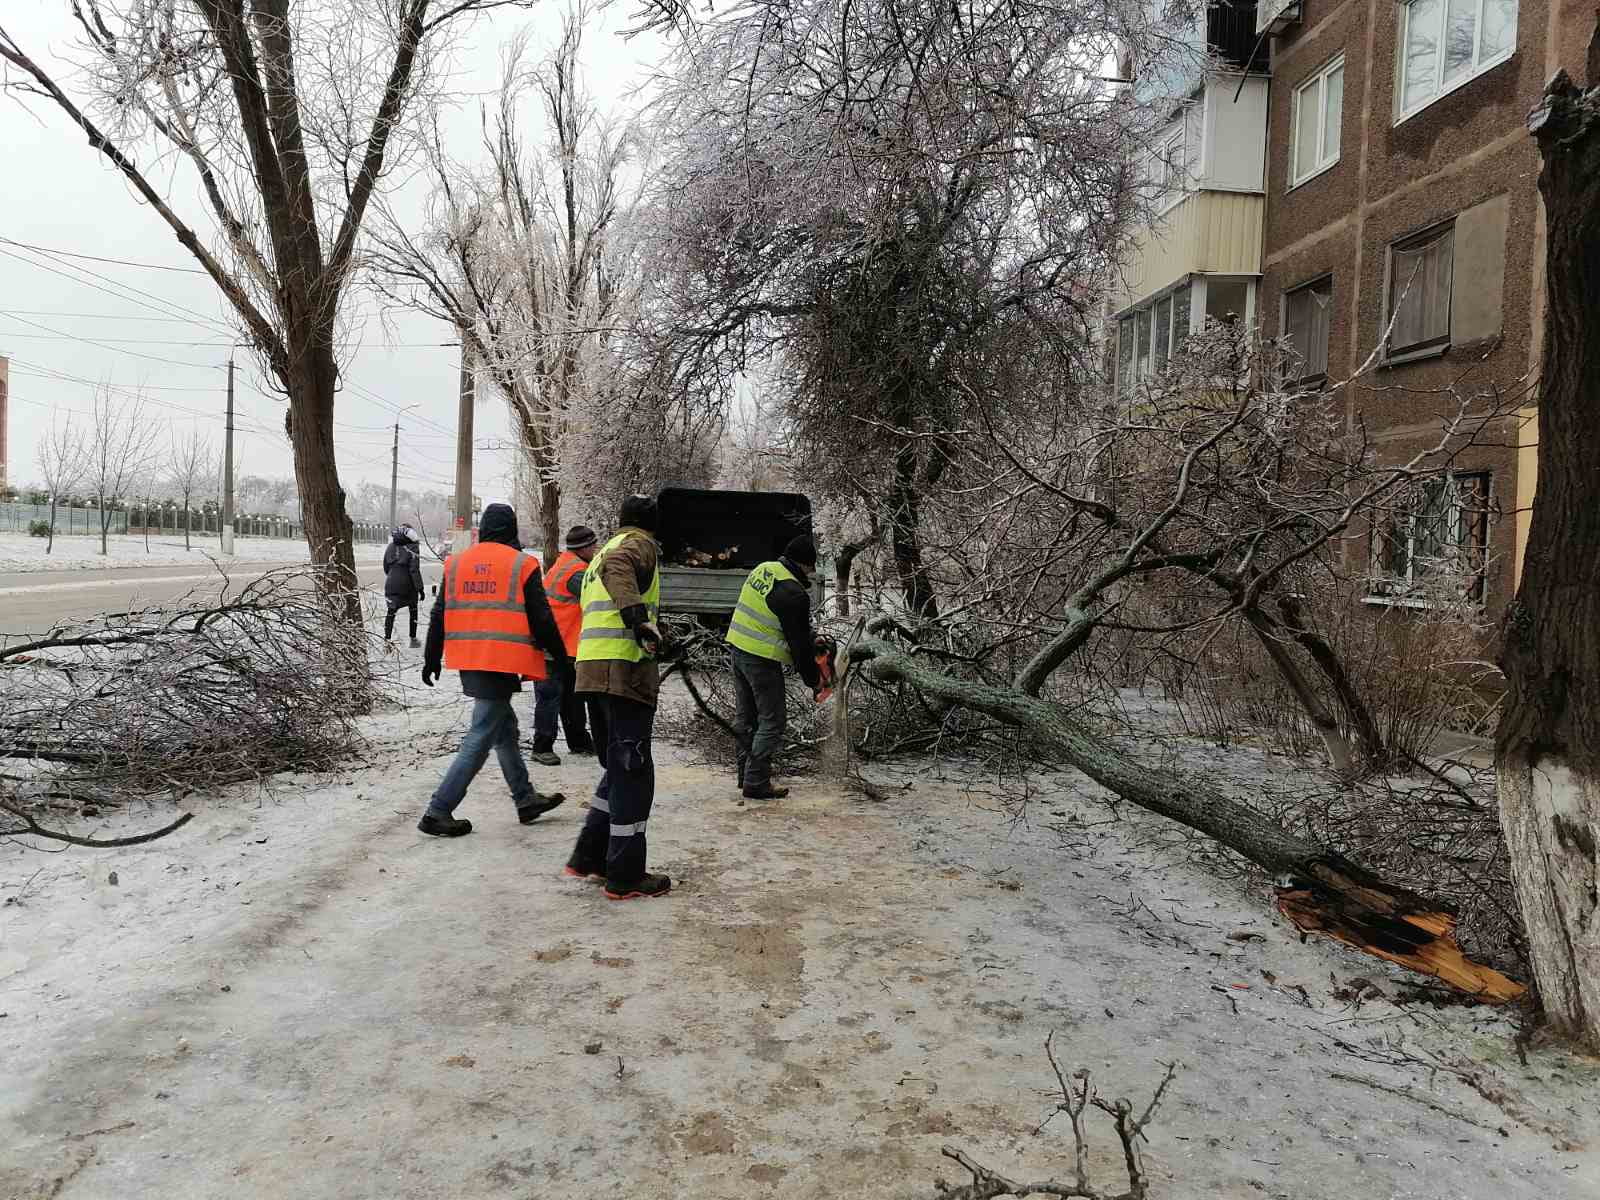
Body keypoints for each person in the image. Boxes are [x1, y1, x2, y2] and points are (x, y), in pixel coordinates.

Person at [416, 503, 575, 837]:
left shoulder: (457, 563)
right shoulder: (522, 565)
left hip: (469, 656)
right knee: (482, 732)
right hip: (502, 659)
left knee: (505, 729)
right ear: (512, 529)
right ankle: (438, 810)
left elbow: (438, 614)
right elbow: (542, 618)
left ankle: (525, 799)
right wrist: (561, 658)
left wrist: (432, 657)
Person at [563, 494, 671, 900]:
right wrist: (639, 621)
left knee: (619, 767)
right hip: (623, 670)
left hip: (593, 666)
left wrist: (657, 632)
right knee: (633, 770)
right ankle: (625, 875)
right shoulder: (636, 544)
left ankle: (589, 855)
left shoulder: (600, 552)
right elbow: (621, 570)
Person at [725, 535, 824, 800]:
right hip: (760, 658)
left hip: (737, 647)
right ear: (804, 564)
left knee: (746, 718)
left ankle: (744, 775)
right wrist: (814, 680)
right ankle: (756, 782)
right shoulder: (793, 592)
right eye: (811, 567)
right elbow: (799, 647)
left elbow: (780, 617)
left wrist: (811, 635)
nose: (812, 573)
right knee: (773, 720)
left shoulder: (764, 569)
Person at [530, 525, 601, 765]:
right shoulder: (577, 572)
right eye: (593, 545)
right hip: (554, 645)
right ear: (583, 548)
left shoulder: (565, 563)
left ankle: (579, 741)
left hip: (562, 645)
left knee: (571, 696)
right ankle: (542, 746)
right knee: (550, 696)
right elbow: (597, 597)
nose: (596, 549)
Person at [382, 525, 425, 647]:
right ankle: (413, 639)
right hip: (408, 585)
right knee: (413, 609)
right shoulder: (413, 547)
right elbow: (414, 570)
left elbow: (385, 566)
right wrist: (420, 588)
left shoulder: (390, 546)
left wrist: (392, 576)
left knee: (391, 612)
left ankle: (387, 640)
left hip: (391, 583)